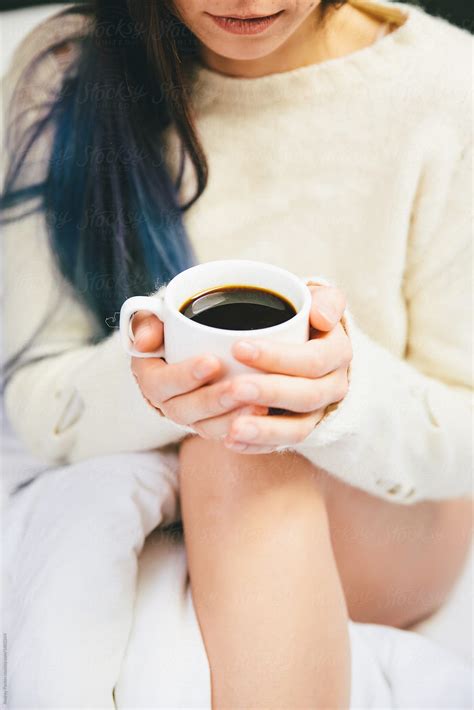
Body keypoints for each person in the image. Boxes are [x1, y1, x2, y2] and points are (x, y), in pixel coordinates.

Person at [1, 0, 472, 706]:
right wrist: (151, 383)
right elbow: (37, 395)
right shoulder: (69, 71)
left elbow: (461, 433)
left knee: (238, 451)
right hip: (167, 479)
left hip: (387, 507)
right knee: (227, 444)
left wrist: (343, 394)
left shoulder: (443, 88)